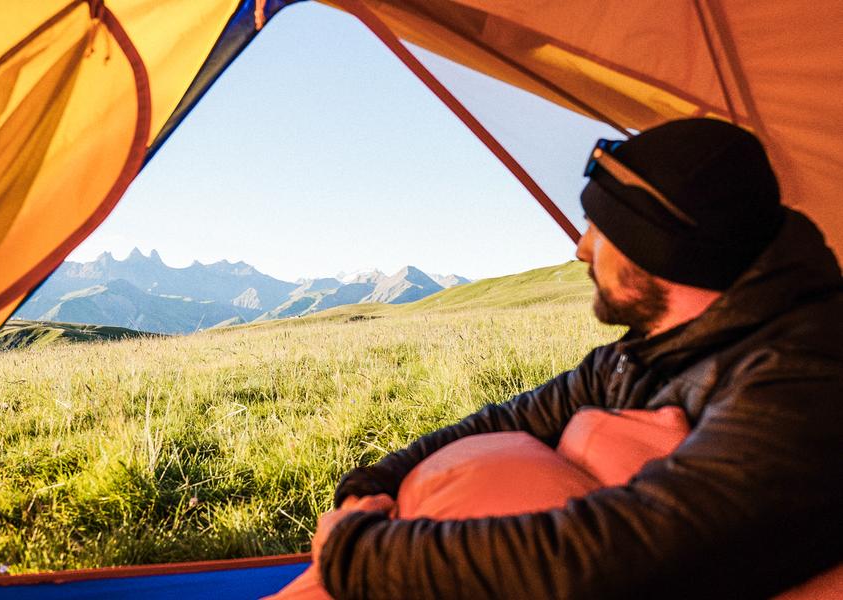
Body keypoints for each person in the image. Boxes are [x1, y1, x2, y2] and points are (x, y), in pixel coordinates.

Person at [309, 119, 843, 599]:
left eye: (600, 228)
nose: (581, 249)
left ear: (660, 249)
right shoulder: (642, 352)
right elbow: (512, 418)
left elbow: (634, 553)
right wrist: (372, 486)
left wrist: (357, 557)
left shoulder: (804, 376)